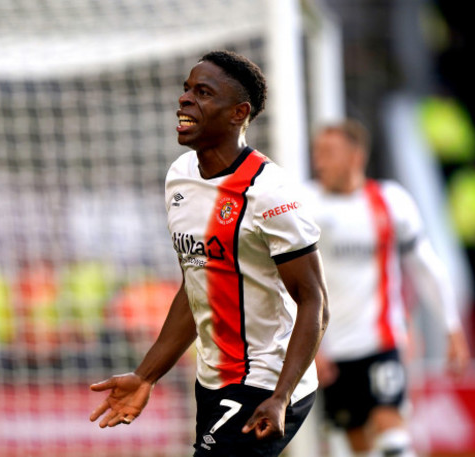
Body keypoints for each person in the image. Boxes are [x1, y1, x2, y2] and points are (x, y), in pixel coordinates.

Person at [89, 50, 329, 457]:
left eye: (202, 92)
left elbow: (314, 301)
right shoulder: (179, 177)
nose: (184, 99)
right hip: (213, 379)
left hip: (265, 380)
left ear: (239, 113)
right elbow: (197, 284)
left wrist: (281, 395)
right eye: (186, 89)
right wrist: (146, 376)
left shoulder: (269, 193)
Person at [307, 119, 470, 457]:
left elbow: (425, 267)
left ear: (356, 157)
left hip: (381, 340)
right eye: (317, 153)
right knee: (355, 448)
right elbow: (292, 285)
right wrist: (311, 349)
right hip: (333, 350)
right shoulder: (305, 206)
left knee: (393, 437)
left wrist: (451, 327)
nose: (319, 161)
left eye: (329, 153)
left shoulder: (391, 202)